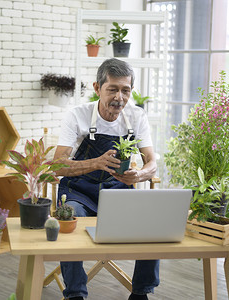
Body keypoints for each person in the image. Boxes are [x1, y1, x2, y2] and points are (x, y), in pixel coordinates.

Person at [53, 58, 159, 300]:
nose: (119, 97)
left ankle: (141, 291)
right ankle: (75, 294)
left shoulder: (137, 117)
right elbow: (57, 165)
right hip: (79, 193)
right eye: (112, 89)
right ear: (97, 88)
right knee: (70, 218)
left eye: (126, 90)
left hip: (119, 193)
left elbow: (152, 164)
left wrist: (138, 175)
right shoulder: (77, 116)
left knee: (152, 223)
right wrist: (95, 163)